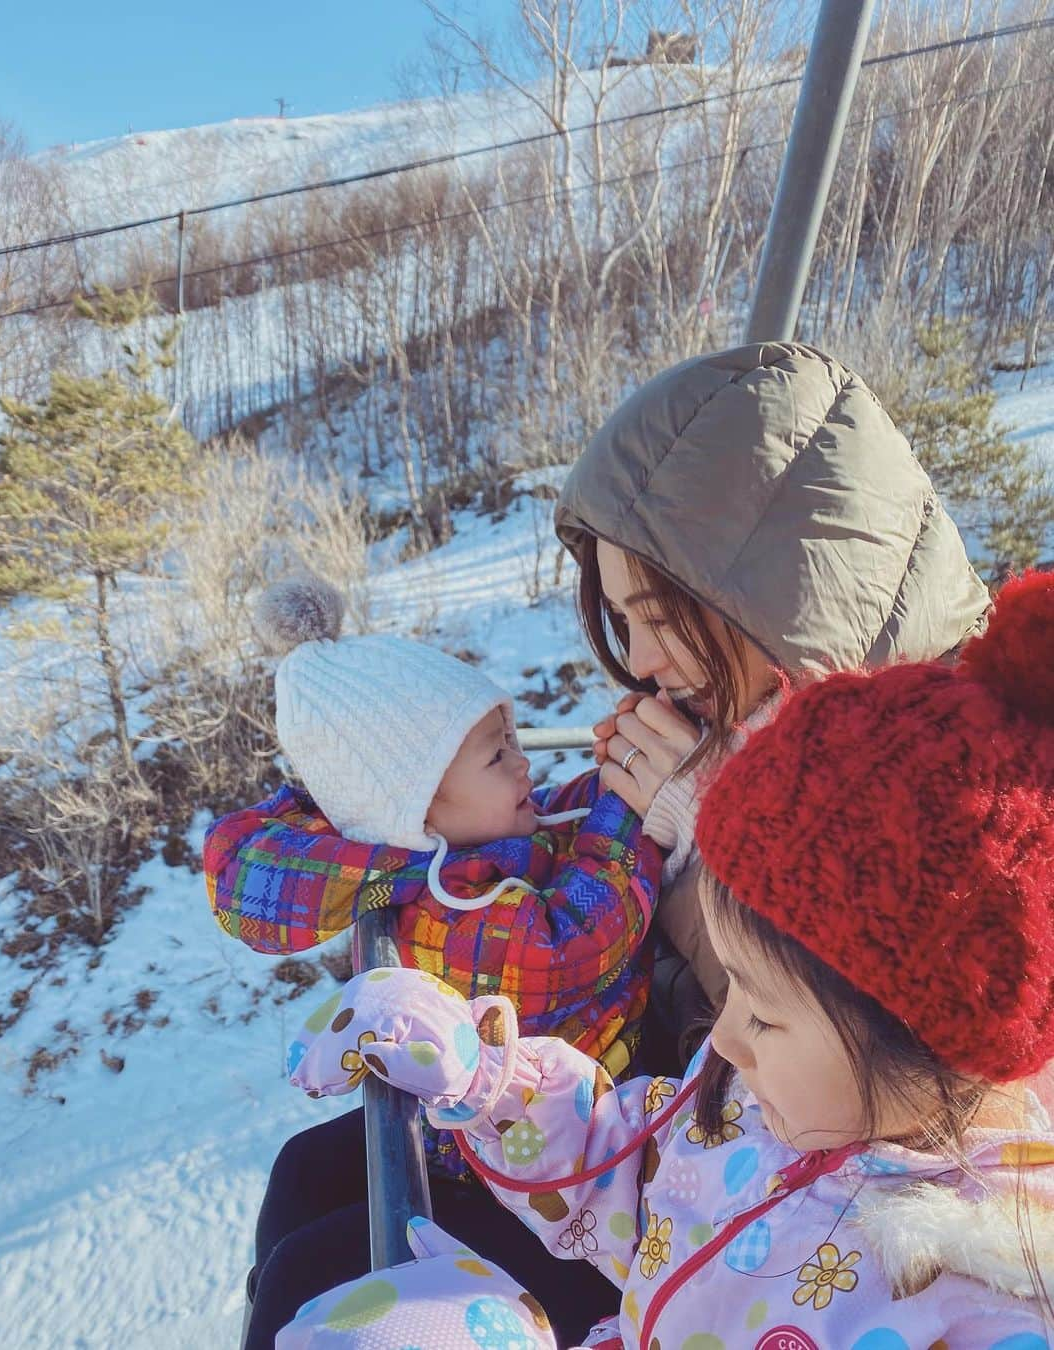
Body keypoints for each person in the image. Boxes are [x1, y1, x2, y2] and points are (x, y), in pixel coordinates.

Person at [210, 341, 991, 1347]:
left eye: (661, 618)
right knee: (308, 1190)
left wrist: (697, 827)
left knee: (319, 1273)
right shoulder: (732, 728)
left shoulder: (912, 800)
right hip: (650, 1135)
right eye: (625, 622)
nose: (645, 665)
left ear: (779, 592)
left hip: (752, 1207)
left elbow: (799, 1049)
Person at [284, 569, 1054, 1349]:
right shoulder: (757, 1107)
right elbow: (628, 1165)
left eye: (763, 1010)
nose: (724, 1038)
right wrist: (479, 1074)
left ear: (922, 1033)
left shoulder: (970, 1304)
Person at [206, 574, 662, 1347]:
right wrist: (629, 802)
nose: (524, 765)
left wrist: (610, 771)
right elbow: (576, 938)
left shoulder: (457, 848)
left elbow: (552, 812)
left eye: (514, 739)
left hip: (542, 1167)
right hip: (506, 1162)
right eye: (497, 756)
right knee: (302, 1203)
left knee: (301, 1254)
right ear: (416, 810)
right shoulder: (456, 904)